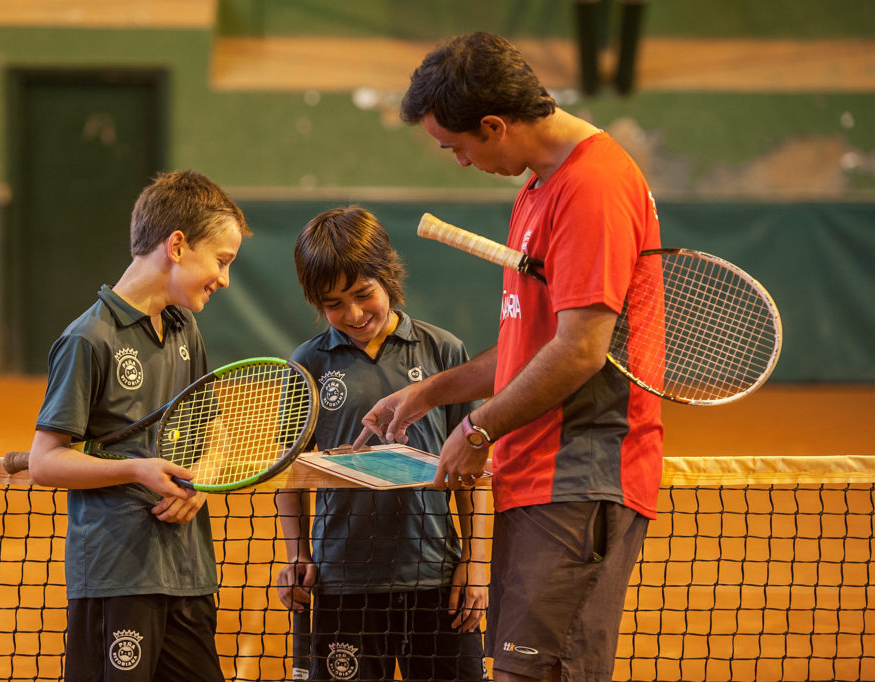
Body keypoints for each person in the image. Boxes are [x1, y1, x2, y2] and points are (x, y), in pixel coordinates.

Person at [352, 32, 664, 682]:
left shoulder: (593, 187)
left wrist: (477, 427)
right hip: (536, 479)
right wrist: (431, 393)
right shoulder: (537, 191)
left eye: (458, 145)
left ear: (494, 125)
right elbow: (532, 344)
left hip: (578, 478)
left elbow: (580, 350)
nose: (460, 161)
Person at [27, 170, 250, 681]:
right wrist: (138, 470)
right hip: (117, 574)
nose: (224, 279)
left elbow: (209, 427)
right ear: (176, 245)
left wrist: (204, 479)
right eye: (221, 261)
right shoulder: (88, 339)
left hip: (189, 573)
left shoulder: (184, 327)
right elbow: (44, 461)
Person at [275, 206, 490, 682]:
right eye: (333, 304)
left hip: (435, 578)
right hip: (341, 582)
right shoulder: (306, 364)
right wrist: (297, 554)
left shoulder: (444, 352)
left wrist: (474, 564)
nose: (352, 314)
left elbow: (472, 475)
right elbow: (289, 475)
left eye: (362, 294)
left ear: (388, 276)